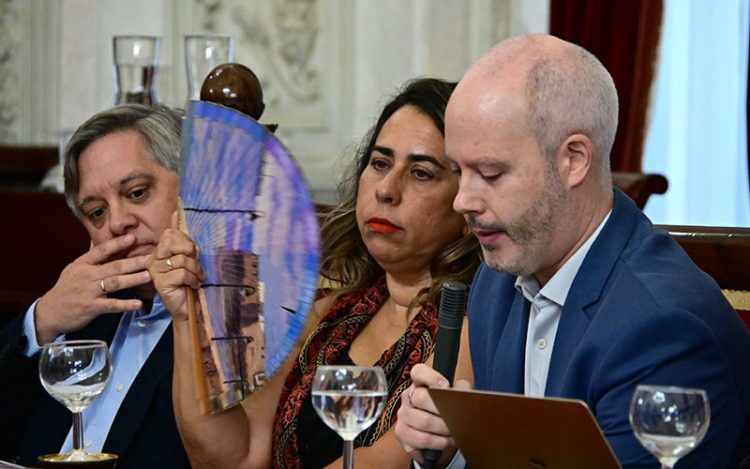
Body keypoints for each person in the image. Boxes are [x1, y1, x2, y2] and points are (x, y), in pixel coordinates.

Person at [395, 34, 750, 468]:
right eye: (457, 171)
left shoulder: (665, 328)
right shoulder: (497, 280)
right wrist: (449, 452)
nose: (461, 200)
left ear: (574, 160)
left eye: (489, 173)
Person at [148, 77, 483, 468]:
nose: (386, 189)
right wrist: (189, 315)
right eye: (380, 163)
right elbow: (234, 458)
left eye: (421, 172)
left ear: (468, 205)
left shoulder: (469, 328)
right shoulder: (326, 314)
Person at [0, 104, 190, 468]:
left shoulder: (229, 318)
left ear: (190, 187)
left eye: (136, 193)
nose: (117, 223)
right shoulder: (76, 313)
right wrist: (42, 319)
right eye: (97, 212)